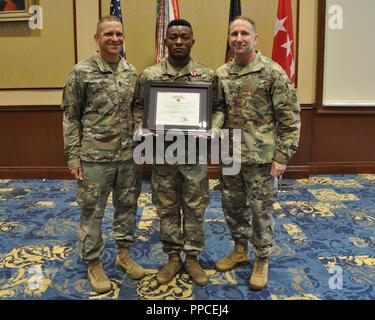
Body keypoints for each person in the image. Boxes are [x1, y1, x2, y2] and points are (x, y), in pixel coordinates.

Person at [212, 16, 301, 291]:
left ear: (255, 38)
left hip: (261, 156)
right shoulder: (221, 74)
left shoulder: (272, 72)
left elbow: (290, 118)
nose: (238, 38)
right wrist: (213, 129)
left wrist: (282, 157)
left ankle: (262, 257)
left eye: (244, 34)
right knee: (232, 205)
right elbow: (218, 110)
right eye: (233, 34)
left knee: (260, 209)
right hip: (230, 153)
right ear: (229, 38)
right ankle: (240, 249)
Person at [61, 15, 146, 294]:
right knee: (92, 211)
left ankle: (124, 254)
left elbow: (136, 109)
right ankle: (94, 262)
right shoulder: (81, 72)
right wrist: (73, 157)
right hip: (95, 157)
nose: (114, 39)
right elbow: (71, 117)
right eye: (108, 34)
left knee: (127, 207)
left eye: (119, 34)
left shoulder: (130, 71)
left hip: (127, 156)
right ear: (97, 38)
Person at [132, 19, 214, 286]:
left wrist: (215, 129)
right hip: (163, 155)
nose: (179, 42)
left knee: (195, 208)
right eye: (173, 37)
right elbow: (137, 106)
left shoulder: (207, 75)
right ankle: (172, 257)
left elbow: (220, 108)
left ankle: (192, 258)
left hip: (194, 156)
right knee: (166, 208)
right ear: (165, 41)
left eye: (184, 37)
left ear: (193, 41)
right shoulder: (149, 76)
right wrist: (142, 127)